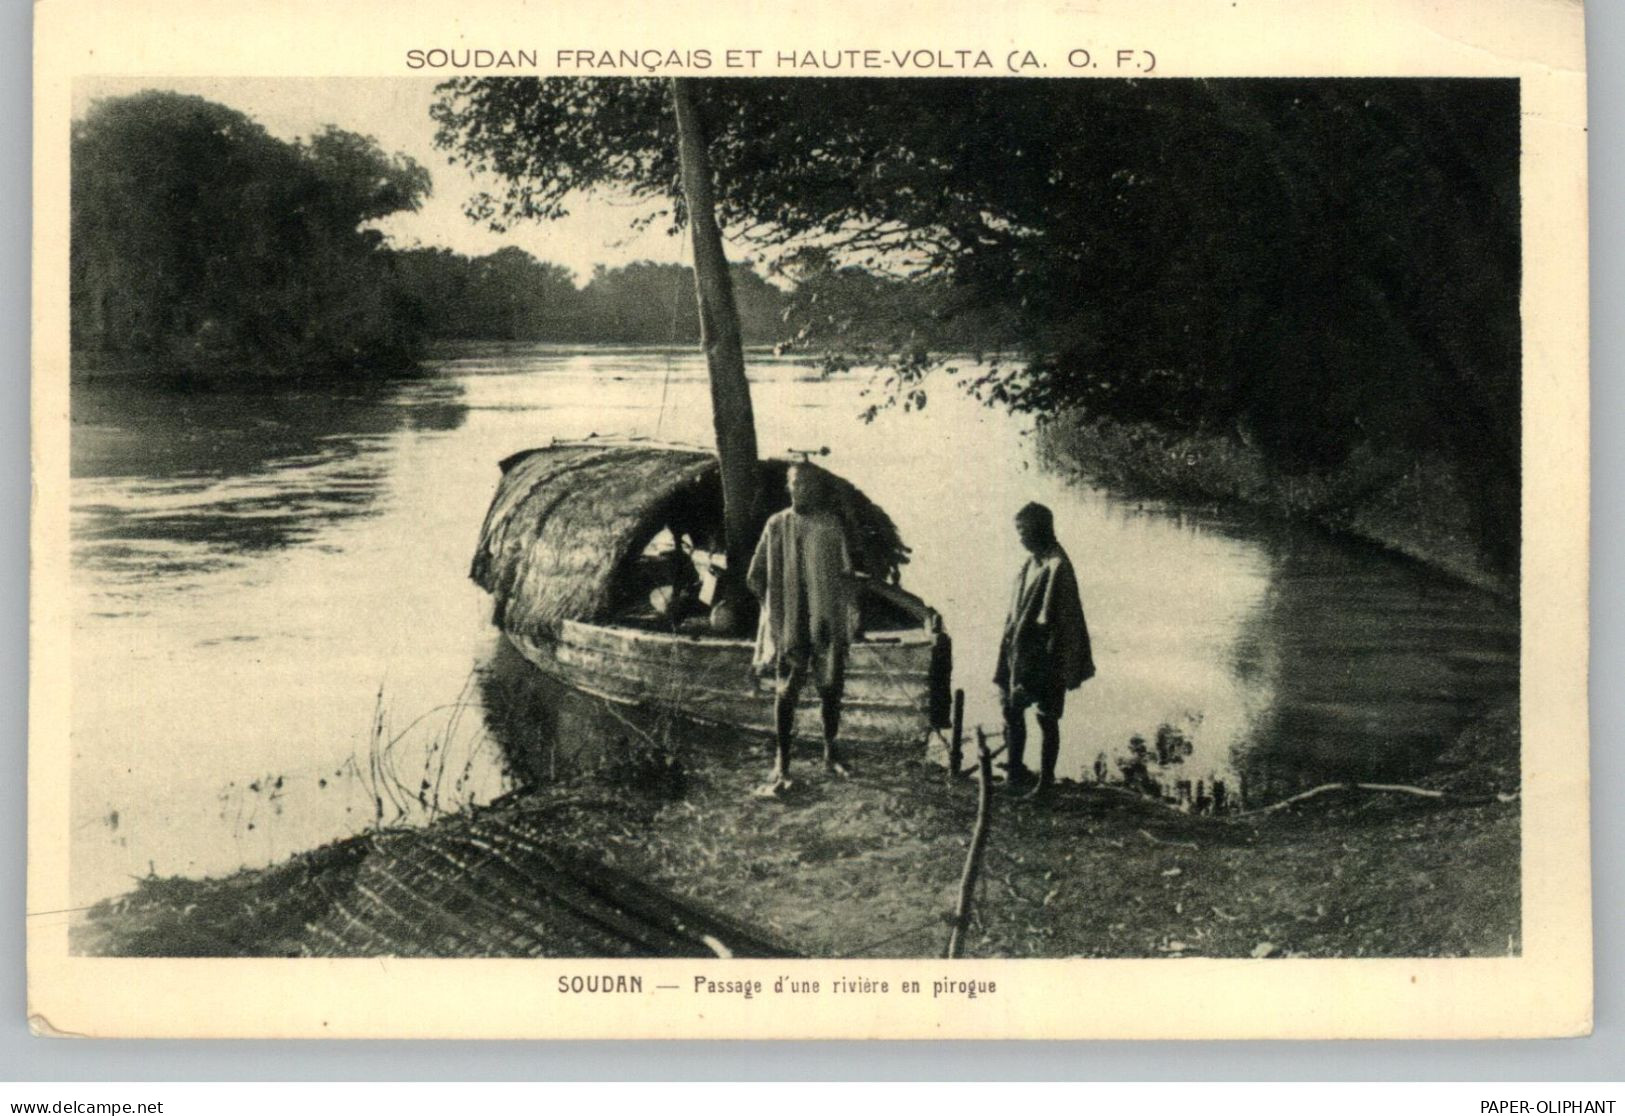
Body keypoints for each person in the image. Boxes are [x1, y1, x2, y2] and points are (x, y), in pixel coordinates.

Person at [746, 463, 856, 795]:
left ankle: (830, 752)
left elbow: (847, 575)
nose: (803, 490)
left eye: (809, 484)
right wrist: (773, 609)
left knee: (831, 688)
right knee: (786, 692)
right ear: (788, 486)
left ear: (818, 489)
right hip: (790, 623)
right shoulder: (777, 525)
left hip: (824, 623)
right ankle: (782, 762)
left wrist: (845, 613)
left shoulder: (830, 526)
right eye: (797, 483)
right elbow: (754, 576)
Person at [993, 502, 1095, 801]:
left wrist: (1037, 668)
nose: (1020, 538)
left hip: (1047, 655)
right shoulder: (1032, 562)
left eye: (1023, 532)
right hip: (1021, 651)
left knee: (1046, 717)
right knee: (1011, 708)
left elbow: (1057, 624)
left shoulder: (1057, 567)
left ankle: (1045, 784)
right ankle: (1015, 771)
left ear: (1039, 530)